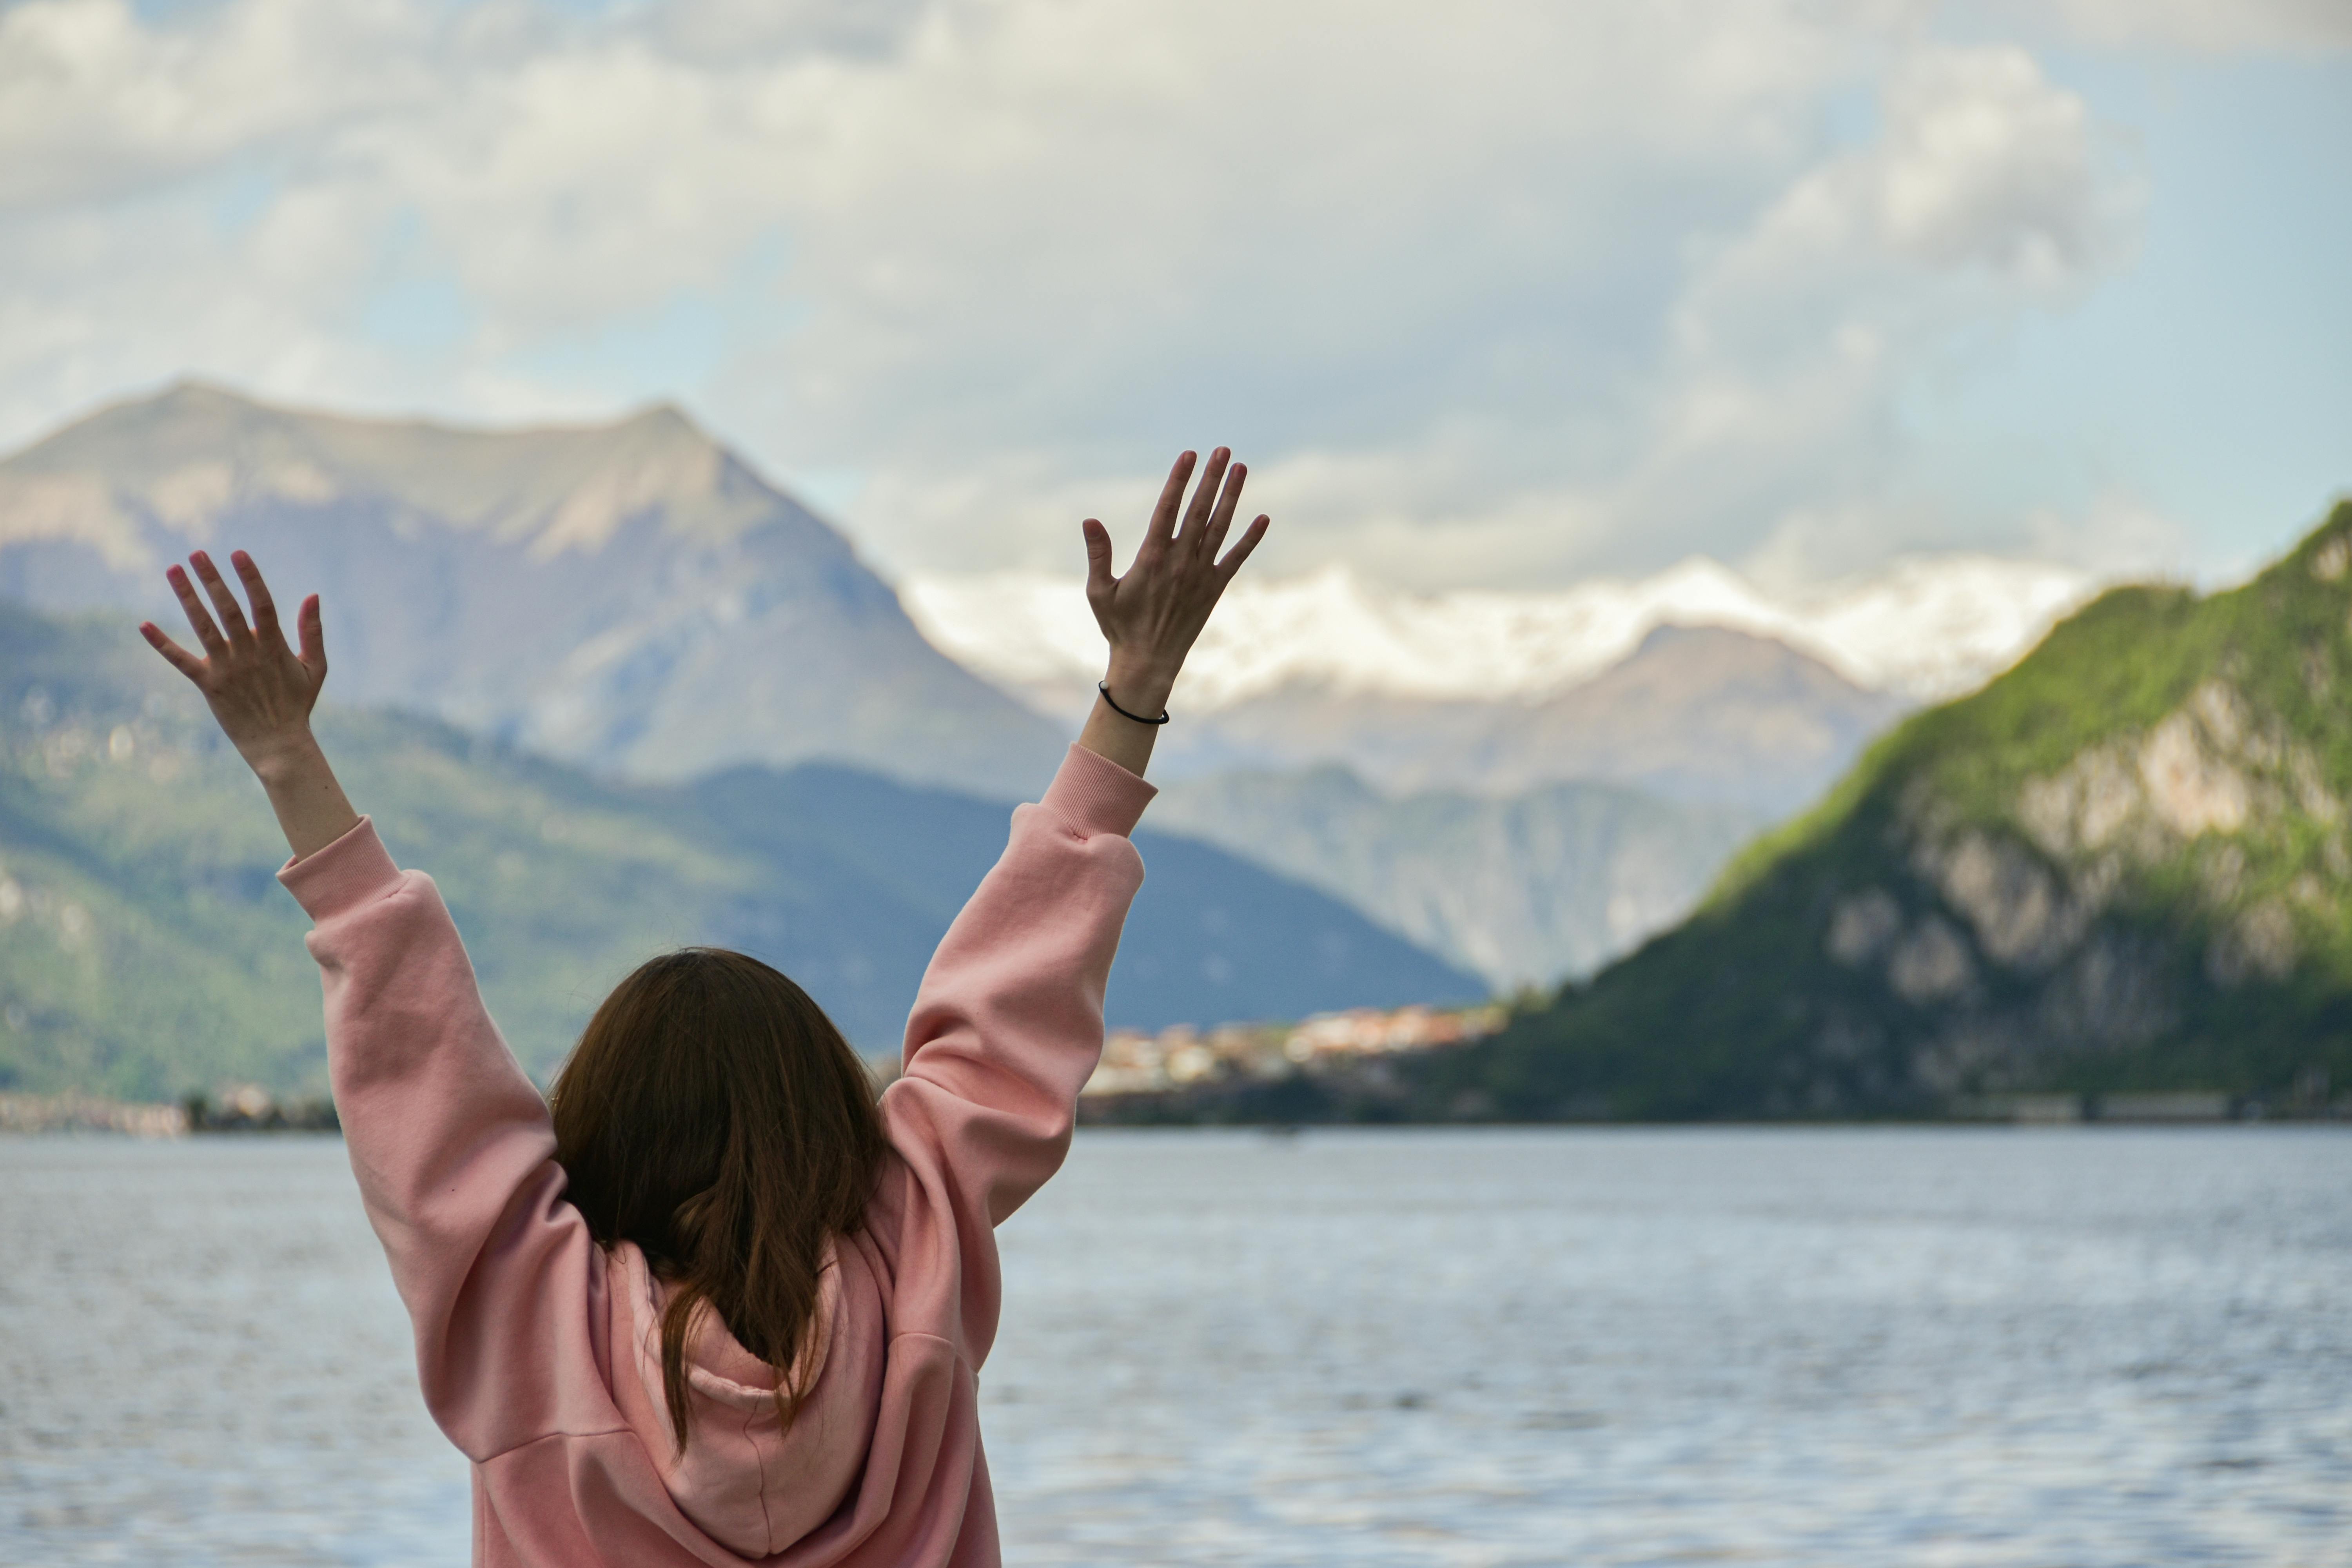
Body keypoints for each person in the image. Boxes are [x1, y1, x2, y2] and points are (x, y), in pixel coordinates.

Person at [140, 449, 1270, 1567]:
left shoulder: (534, 1315)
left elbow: (424, 1070)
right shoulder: (915, 1250)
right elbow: (1008, 1010)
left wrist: (289, 758)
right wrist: (1133, 691)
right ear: (828, 1115)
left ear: (600, 1132)